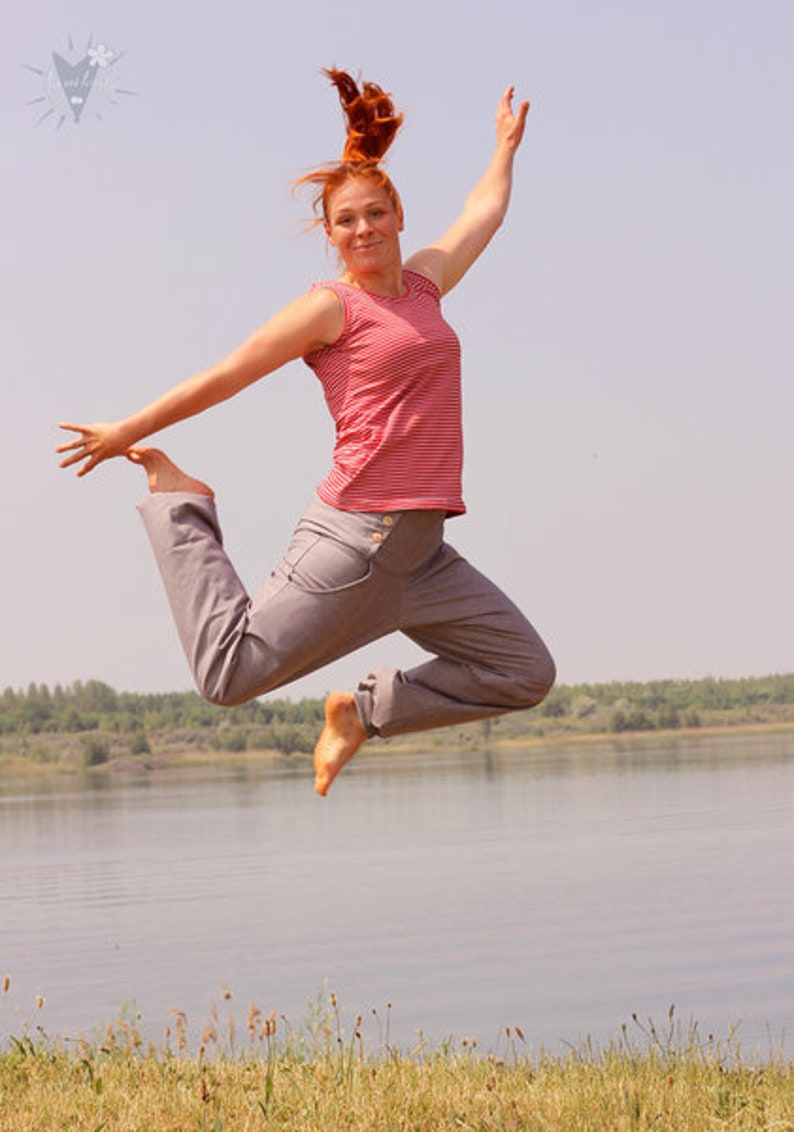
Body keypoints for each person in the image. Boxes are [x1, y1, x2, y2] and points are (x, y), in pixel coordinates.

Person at [57, 68, 556, 796]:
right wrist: (125, 430)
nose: (363, 230)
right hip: (357, 541)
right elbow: (226, 374)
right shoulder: (330, 309)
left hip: (424, 556)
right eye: (346, 221)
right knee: (228, 675)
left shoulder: (424, 285)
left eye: (375, 214)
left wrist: (504, 148)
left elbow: (485, 213)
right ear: (330, 235)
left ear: (398, 214)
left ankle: (362, 712)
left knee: (523, 672)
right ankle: (178, 503)